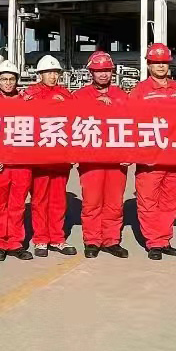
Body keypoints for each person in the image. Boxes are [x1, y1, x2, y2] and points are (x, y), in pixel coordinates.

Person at [130, 43, 176, 260]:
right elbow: (129, 122)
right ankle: (154, 242)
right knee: (148, 201)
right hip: (149, 159)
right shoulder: (140, 91)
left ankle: (164, 239)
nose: (161, 66)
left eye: (164, 62)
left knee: (171, 201)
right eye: (156, 63)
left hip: (174, 158)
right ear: (149, 65)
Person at [72, 51, 130, 259]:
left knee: (114, 202)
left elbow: (132, 126)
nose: (103, 74)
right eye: (99, 71)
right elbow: (71, 124)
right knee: (92, 201)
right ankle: (92, 240)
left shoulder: (122, 96)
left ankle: (111, 240)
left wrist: (129, 153)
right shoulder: (79, 97)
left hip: (116, 159)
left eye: (107, 70)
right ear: (91, 73)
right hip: (91, 160)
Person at [24, 55, 77, 258]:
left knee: (58, 200)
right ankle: (40, 239)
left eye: (55, 73)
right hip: (39, 158)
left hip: (60, 158)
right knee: (39, 200)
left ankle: (57, 238)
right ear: (40, 74)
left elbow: (77, 119)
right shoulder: (30, 94)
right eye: (48, 73)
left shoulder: (66, 94)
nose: (53, 76)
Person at [0, 60, 34, 262]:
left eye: (11, 79)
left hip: (22, 164)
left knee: (17, 205)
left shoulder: (28, 103)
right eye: (4, 79)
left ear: (17, 80)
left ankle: (15, 243)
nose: (8, 83)